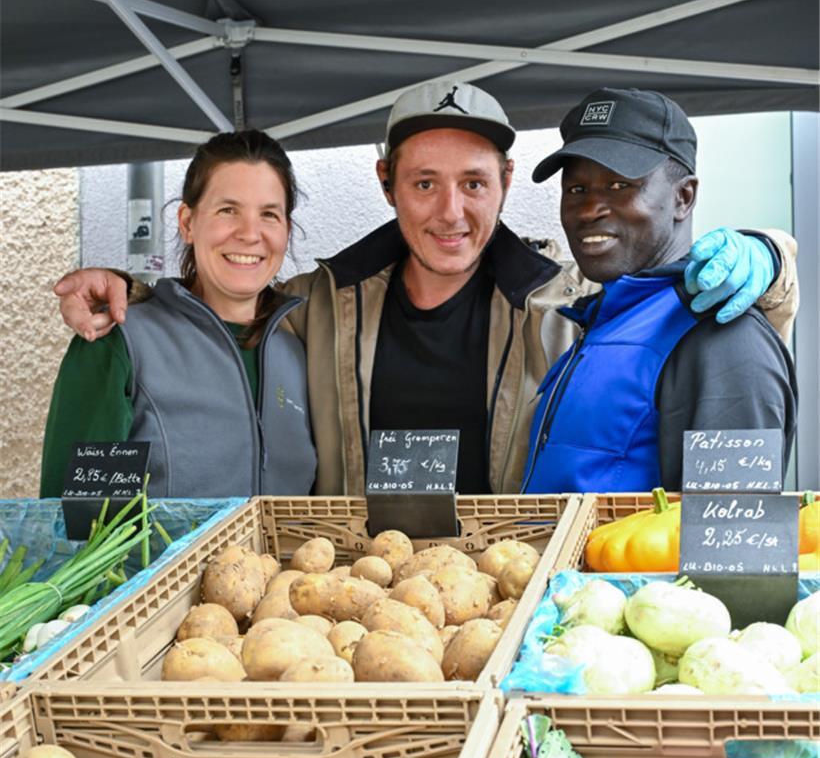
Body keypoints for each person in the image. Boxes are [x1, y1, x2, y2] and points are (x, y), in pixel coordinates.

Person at [52, 80, 798, 496]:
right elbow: (229, 298)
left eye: (473, 183)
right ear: (386, 184)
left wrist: (772, 259)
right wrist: (133, 289)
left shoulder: (566, 305)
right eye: (423, 183)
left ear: (506, 183)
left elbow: (683, 304)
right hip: (353, 605)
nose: (450, 212)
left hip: (508, 602)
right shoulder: (317, 307)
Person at [520, 88, 797, 493]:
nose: (589, 209)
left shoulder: (721, 333)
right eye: (576, 189)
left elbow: (731, 524)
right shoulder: (601, 320)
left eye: (619, 185)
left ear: (684, 197)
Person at [41, 131, 316, 498]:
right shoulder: (121, 343)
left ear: (286, 230)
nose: (250, 234)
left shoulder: (297, 354)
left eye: (269, 214)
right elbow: (78, 514)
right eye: (228, 210)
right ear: (187, 222)